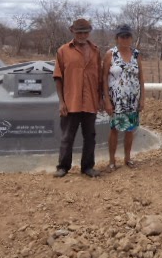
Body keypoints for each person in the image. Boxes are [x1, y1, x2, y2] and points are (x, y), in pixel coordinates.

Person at [53, 18, 103, 178]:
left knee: (90, 137)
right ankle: (63, 167)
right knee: (67, 137)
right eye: (79, 32)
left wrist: (101, 98)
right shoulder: (63, 51)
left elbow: (100, 77)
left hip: (90, 102)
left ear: (89, 32)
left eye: (85, 32)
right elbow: (58, 77)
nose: (82, 35)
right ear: (72, 31)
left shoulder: (95, 51)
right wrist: (61, 102)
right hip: (71, 101)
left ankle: (87, 167)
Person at [103, 24, 145, 170]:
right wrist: (107, 100)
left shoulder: (136, 54)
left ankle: (127, 158)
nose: (125, 39)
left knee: (130, 129)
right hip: (116, 100)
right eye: (122, 36)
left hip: (132, 99)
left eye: (127, 36)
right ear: (117, 38)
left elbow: (141, 77)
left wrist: (142, 98)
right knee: (114, 129)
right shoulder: (111, 54)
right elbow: (104, 78)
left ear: (131, 38)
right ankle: (112, 161)